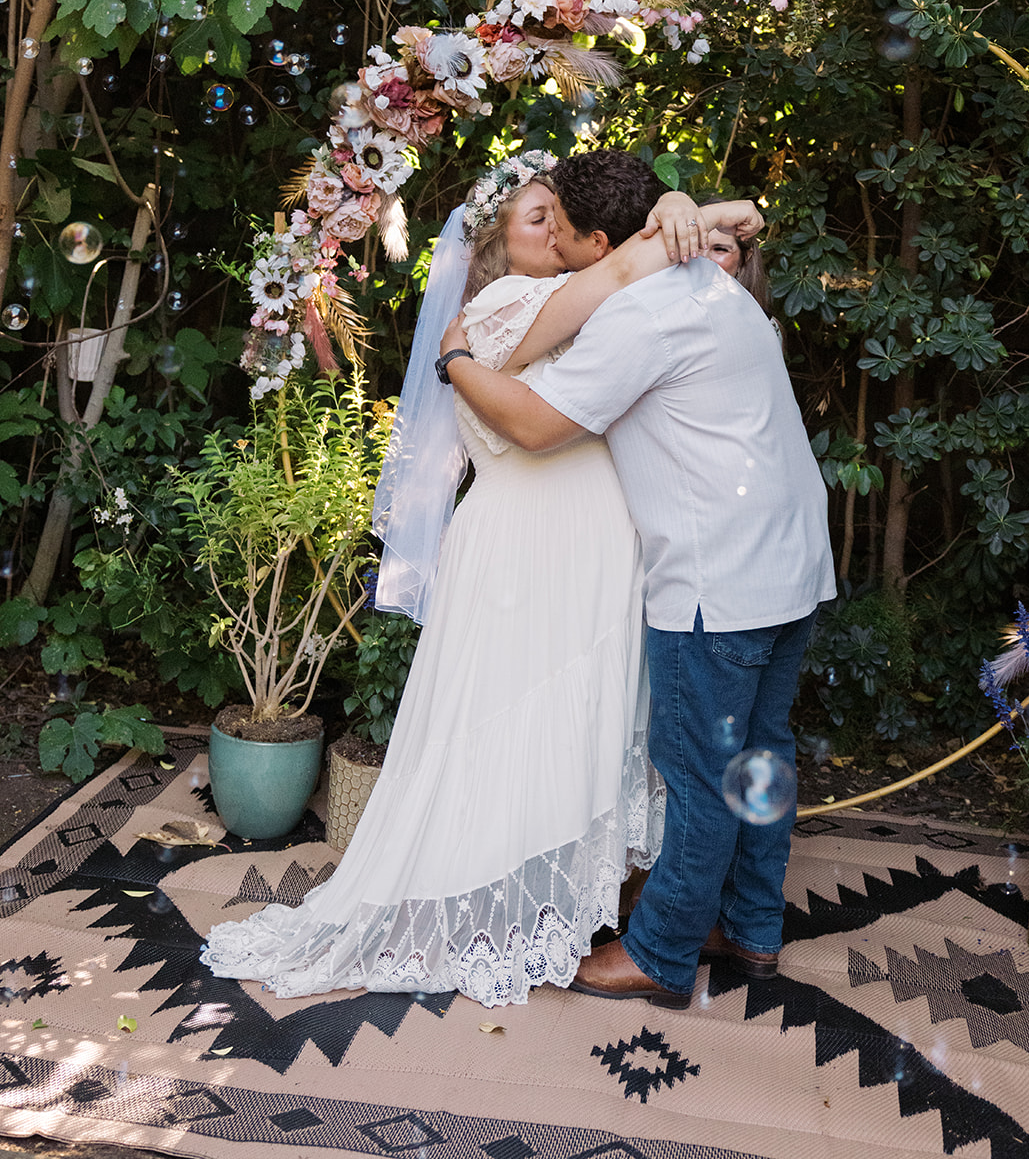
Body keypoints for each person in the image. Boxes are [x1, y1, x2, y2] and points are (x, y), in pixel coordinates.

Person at [202, 150, 762, 1008]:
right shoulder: (500, 309)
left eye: (559, 216)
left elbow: (668, 260)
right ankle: (495, 893)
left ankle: (571, 889)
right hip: (529, 548)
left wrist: (684, 203)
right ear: (497, 246)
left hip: (593, 546)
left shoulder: (582, 305)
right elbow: (633, 257)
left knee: (573, 715)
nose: (554, 228)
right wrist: (686, 208)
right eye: (535, 217)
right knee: (513, 714)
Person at [441, 149, 836, 1009]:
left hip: (716, 576)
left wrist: (457, 362)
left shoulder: (637, 316)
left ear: (598, 238)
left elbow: (538, 427)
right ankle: (751, 928)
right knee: (759, 758)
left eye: (572, 235)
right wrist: (687, 205)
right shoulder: (707, 281)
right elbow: (740, 216)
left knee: (698, 772)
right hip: (791, 558)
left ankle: (658, 952)